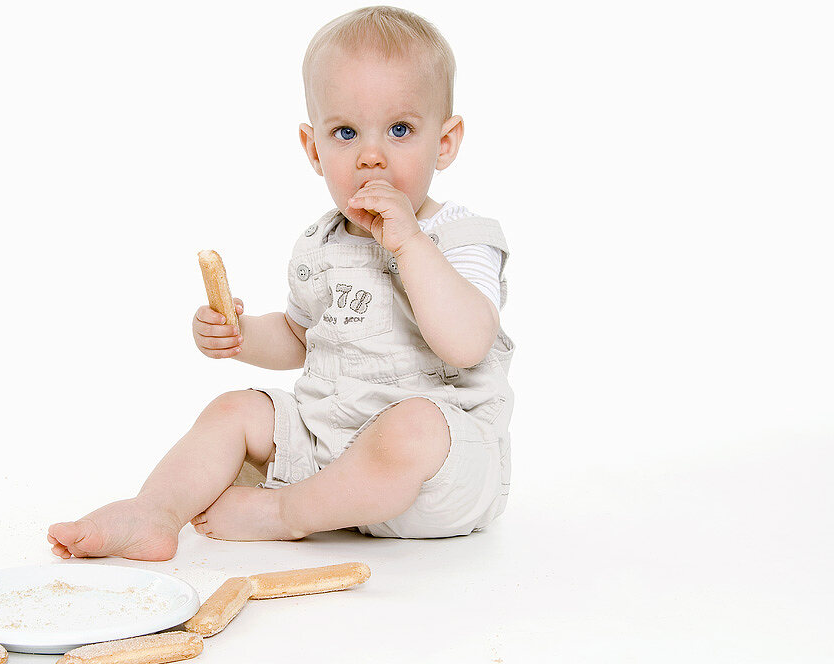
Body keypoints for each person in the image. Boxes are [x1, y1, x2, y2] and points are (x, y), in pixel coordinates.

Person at [48, 6, 514, 561]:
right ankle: (154, 513)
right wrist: (242, 336)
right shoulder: (321, 246)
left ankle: (286, 513)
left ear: (445, 142)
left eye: (400, 129)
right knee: (234, 410)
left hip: (439, 474)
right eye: (345, 133)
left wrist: (411, 244)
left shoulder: (462, 237)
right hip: (333, 448)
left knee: (413, 428)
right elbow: (301, 336)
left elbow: (467, 343)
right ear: (315, 150)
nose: (371, 156)